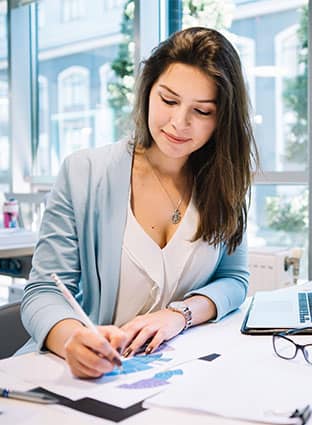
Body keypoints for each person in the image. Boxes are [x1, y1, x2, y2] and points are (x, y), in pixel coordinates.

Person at [19, 26, 258, 379]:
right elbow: (42, 291)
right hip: (85, 379)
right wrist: (72, 340)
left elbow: (234, 279)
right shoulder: (84, 172)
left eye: (202, 111)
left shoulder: (224, 182)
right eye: (169, 100)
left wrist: (179, 315)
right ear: (148, 92)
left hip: (172, 375)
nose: (179, 123)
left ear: (222, 118)